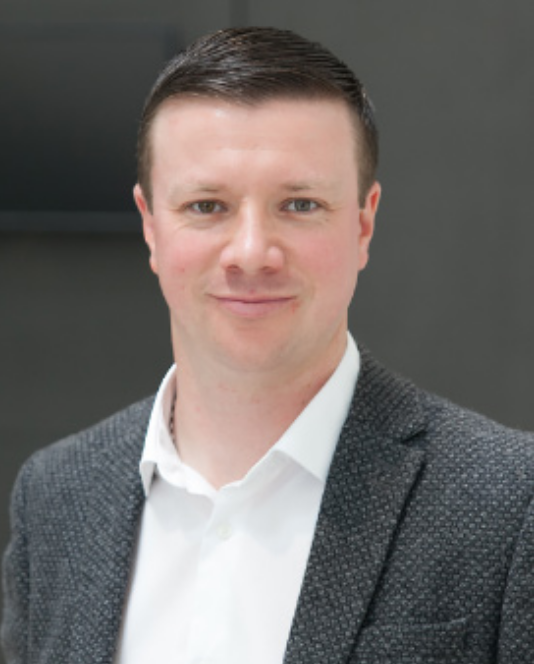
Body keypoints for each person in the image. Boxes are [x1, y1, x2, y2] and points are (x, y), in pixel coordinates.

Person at [2, 26, 534, 664]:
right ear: (150, 226)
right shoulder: (55, 497)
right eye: (207, 206)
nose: (252, 253)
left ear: (363, 224)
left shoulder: (510, 503)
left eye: (300, 204)